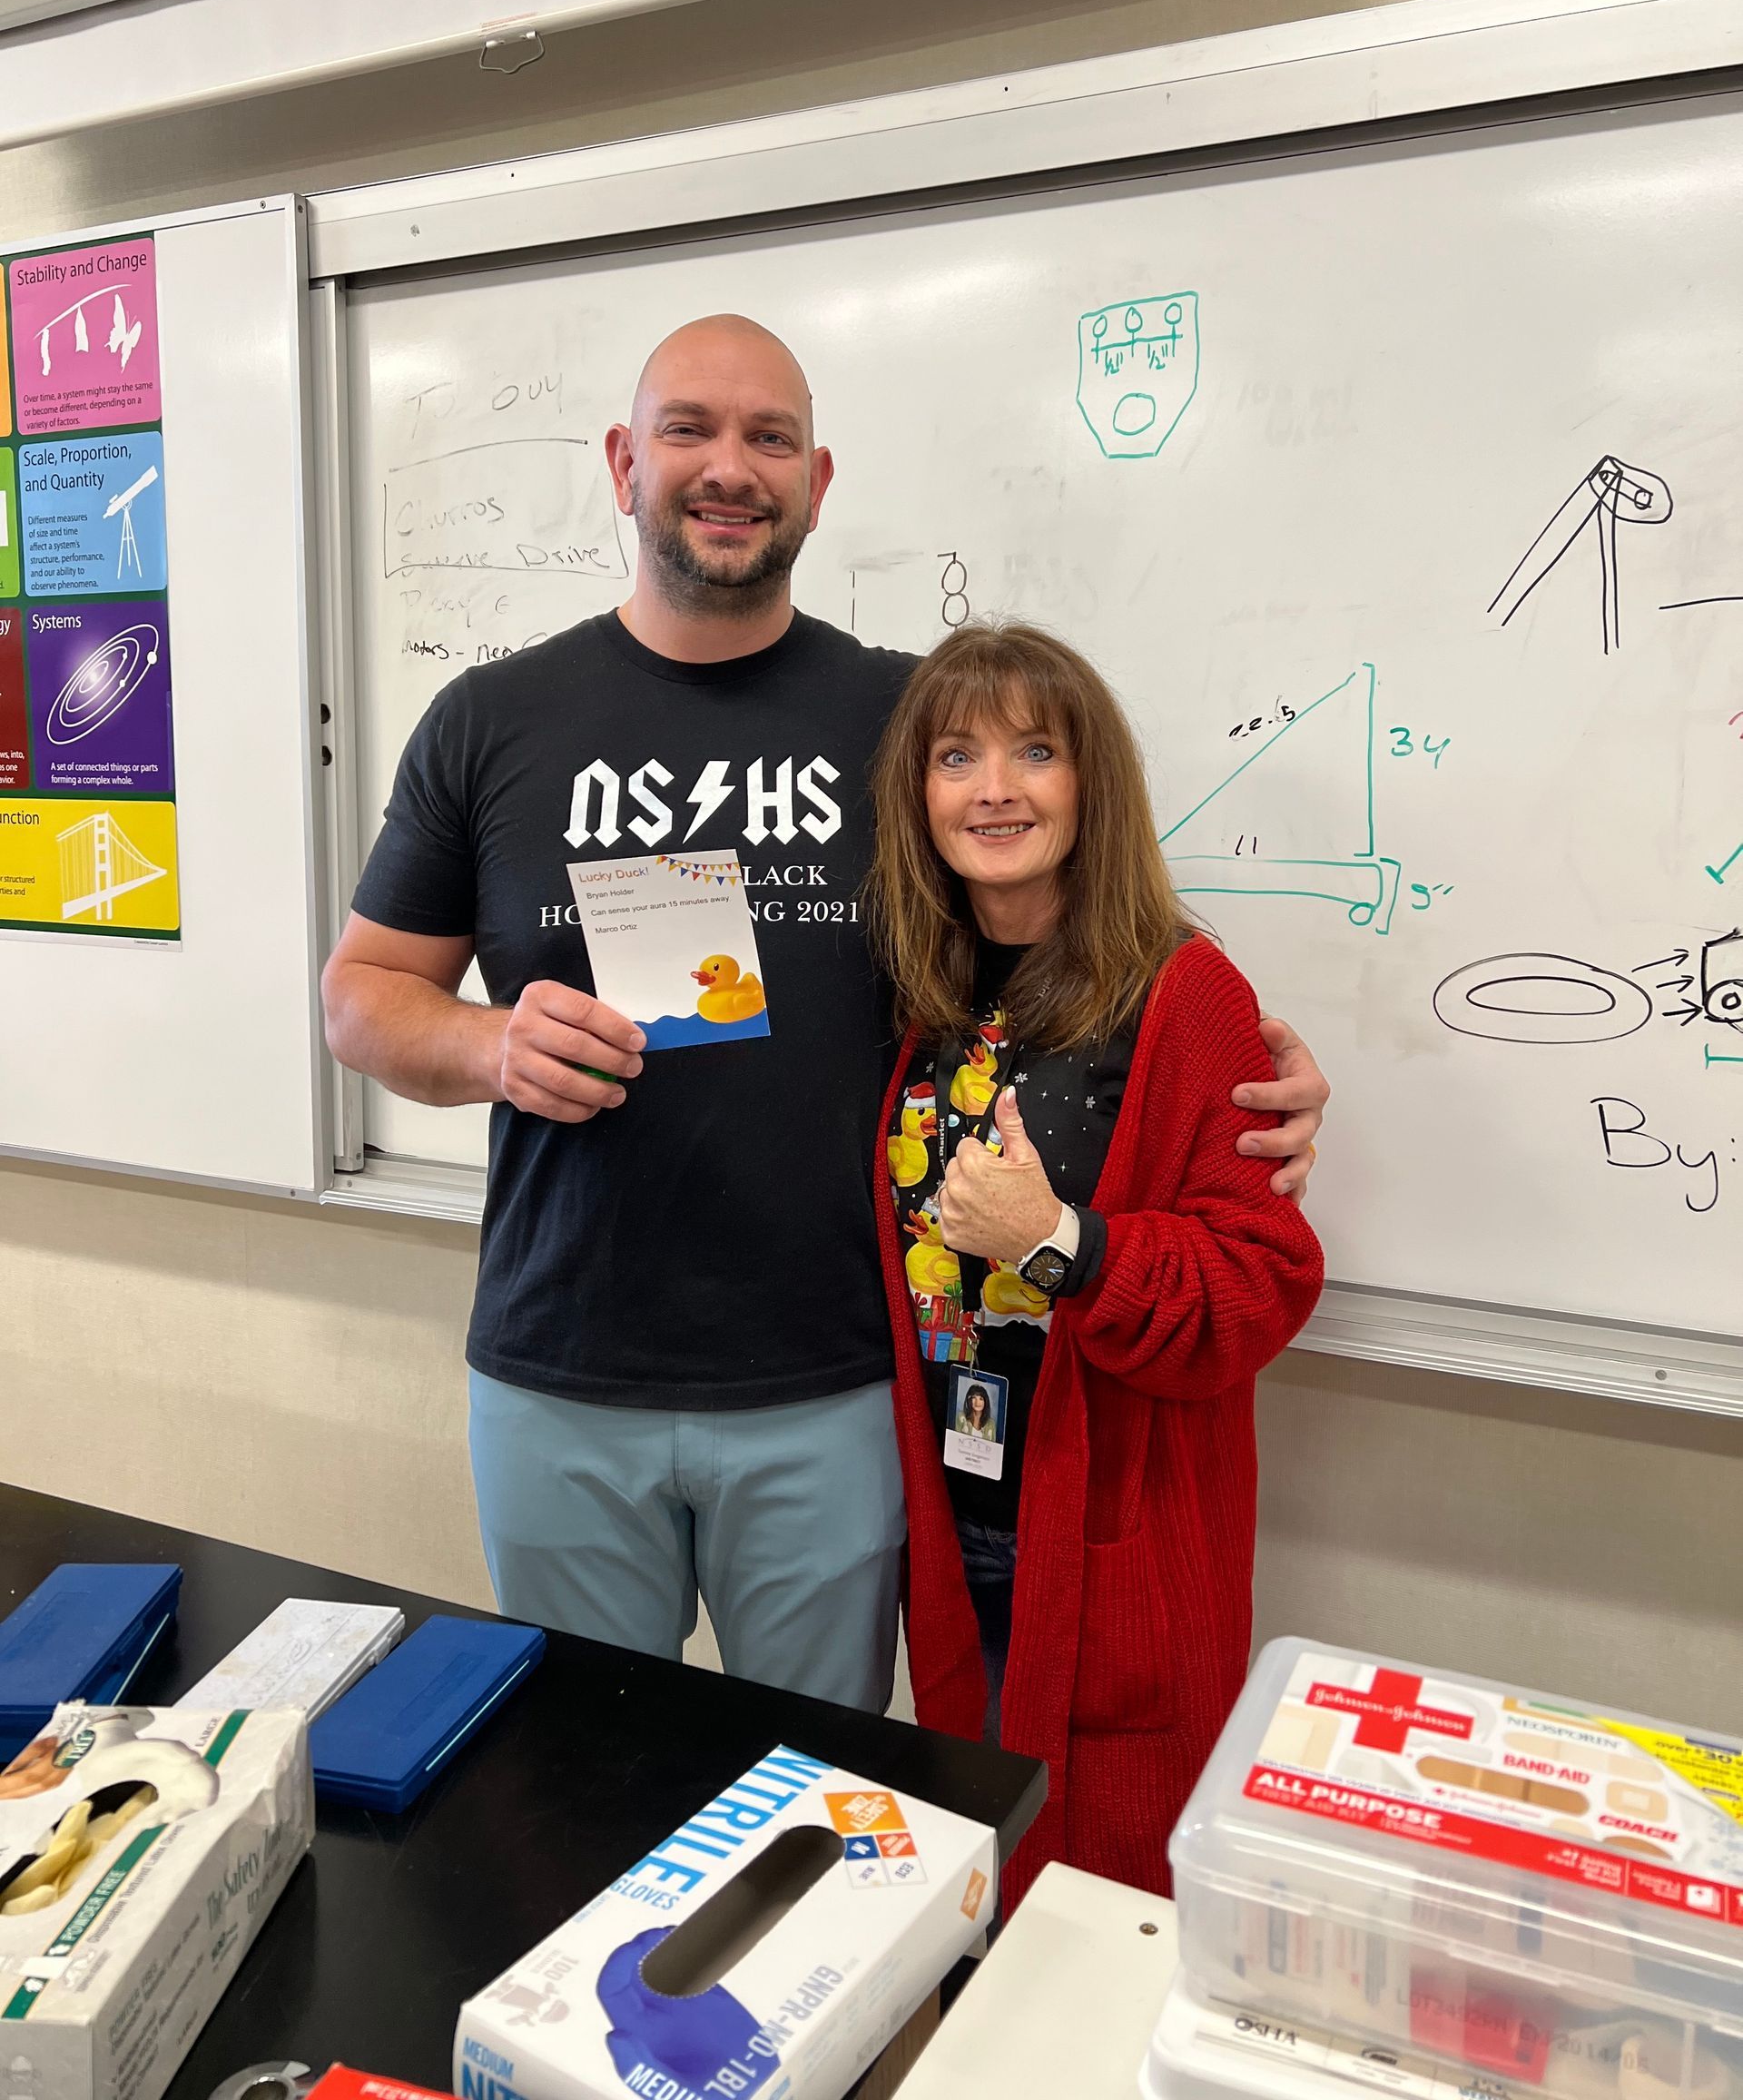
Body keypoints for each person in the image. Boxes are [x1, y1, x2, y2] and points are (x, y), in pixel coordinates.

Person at [321, 314, 1330, 1715]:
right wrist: (491, 1048)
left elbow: (1061, 974)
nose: (729, 468)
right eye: (690, 430)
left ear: (817, 479)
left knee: (818, 1815)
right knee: (579, 1784)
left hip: (841, 1387)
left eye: (768, 438)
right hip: (561, 1376)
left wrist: (1239, 1064)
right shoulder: (491, 720)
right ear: (624, 462)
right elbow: (363, 1001)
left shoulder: (909, 722)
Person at [866, 618, 1324, 1902]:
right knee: (980, 1889)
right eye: (955, 754)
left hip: (1109, 1546)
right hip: (953, 1533)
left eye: (1035, 751)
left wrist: (1059, 1243)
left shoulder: (1186, 993)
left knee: (1104, 1917)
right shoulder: (924, 991)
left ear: (1091, 784)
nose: (994, 786)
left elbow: (1255, 1284)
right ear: (919, 795)